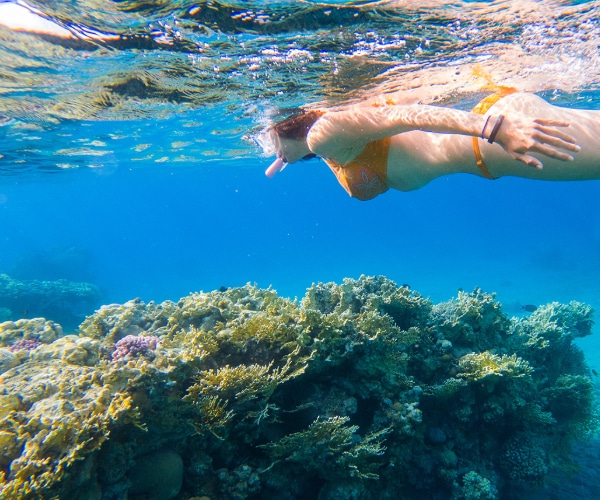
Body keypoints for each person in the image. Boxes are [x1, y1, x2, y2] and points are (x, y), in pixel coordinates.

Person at [261, 89, 598, 200]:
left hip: (500, 141)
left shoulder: (322, 135)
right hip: (495, 149)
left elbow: (411, 115)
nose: (268, 149)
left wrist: (495, 130)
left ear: (284, 123)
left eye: (268, 136)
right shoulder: (326, 148)